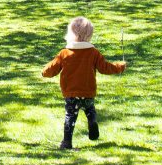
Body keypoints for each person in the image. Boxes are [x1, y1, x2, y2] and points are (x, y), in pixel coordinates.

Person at [41, 16, 126, 150]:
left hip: (71, 94)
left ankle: (66, 143)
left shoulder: (65, 53)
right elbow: (105, 67)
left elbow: (52, 68)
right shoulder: (93, 53)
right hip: (88, 92)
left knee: (70, 116)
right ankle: (92, 122)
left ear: (71, 34)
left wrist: (44, 72)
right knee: (90, 110)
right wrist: (119, 67)